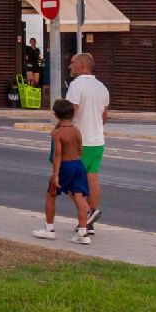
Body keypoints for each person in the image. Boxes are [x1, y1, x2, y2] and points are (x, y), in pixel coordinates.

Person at [33, 99, 93, 245]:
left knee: (51, 195)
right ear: (72, 114)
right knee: (80, 198)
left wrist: (56, 175)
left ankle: (49, 228)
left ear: (56, 115)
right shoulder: (76, 131)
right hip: (78, 165)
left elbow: (57, 155)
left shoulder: (58, 134)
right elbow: (80, 150)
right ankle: (83, 232)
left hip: (64, 166)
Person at [66, 52, 109, 234]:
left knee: (67, 181)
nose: (69, 66)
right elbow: (104, 117)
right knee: (92, 178)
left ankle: (87, 213)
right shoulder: (102, 88)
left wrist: (61, 130)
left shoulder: (76, 86)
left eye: (72, 63)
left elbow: (71, 112)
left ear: (82, 66)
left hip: (79, 141)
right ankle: (88, 224)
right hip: (97, 140)